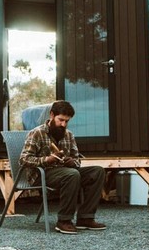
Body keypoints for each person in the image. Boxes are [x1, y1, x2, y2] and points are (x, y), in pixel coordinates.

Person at [20, 100, 107, 235]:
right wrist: (46, 160)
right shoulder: (36, 133)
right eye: (60, 120)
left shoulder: (69, 135)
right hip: (41, 174)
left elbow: (77, 159)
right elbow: (24, 159)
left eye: (67, 121)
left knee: (98, 171)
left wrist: (72, 162)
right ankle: (64, 221)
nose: (63, 124)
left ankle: (85, 218)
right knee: (72, 174)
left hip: (66, 172)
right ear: (51, 115)